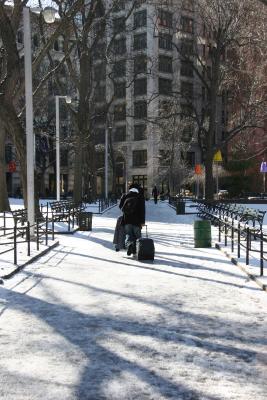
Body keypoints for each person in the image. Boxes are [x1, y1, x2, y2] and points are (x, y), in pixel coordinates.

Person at [119, 183, 145, 256]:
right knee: (138, 237)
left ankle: (129, 245)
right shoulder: (140, 197)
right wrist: (142, 222)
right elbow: (142, 210)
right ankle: (136, 252)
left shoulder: (125, 196)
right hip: (137, 221)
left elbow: (120, 206)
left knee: (129, 235)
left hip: (126, 220)